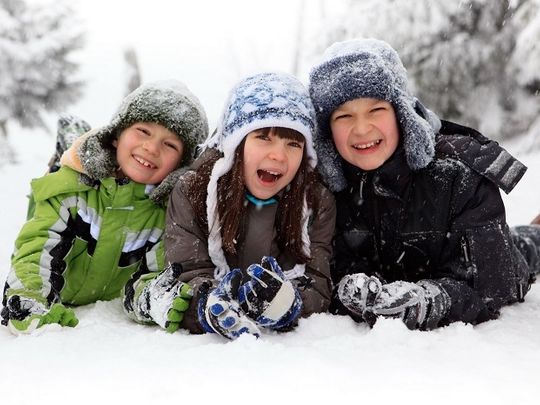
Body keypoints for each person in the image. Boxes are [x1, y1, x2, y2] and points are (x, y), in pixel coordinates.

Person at [307, 38, 540, 330]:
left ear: (401, 114)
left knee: (524, 248)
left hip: (497, 253)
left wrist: (430, 299)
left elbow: (492, 284)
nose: (362, 128)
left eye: (376, 110)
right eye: (344, 116)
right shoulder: (326, 187)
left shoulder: (457, 172)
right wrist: (350, 286)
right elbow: (330, 264)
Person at [1, 80, 209, 335]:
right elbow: (35, 250)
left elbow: (149, 278)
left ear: (181, 164)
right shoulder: (70, 192)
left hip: (109, 278)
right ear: (115, 136)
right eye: (143, 131)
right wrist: (28, 297)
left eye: (170, 145)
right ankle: (69, 146)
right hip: (80, 188)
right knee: (55, 178)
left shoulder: (165, 215)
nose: (152, 147)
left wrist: (152, 299)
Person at [162, 72, 336, 340]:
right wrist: (206, 303)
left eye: (293, 143)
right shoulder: (193, 191)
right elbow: (185, 273)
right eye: (263, 137)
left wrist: (290, 302)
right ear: (236, 143)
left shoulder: (315, 202)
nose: (278, 155)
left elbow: (318, 282)